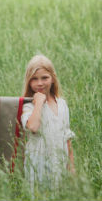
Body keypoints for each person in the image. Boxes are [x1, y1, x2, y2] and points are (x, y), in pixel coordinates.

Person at [20, 55, 75, 192]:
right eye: (34, 79)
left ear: (53, 78)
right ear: (29, 81)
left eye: (44, 78)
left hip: (59, 161)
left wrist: (72, 167)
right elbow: (33, 127)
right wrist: (38, 103)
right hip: (38, 162)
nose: (40, 83)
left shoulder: (62, 104)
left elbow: (67, 137)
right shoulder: (28, 106)